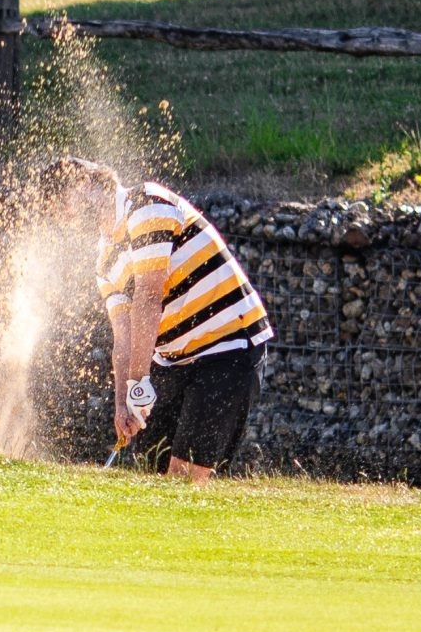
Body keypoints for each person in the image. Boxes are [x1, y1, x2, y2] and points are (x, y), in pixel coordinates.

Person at [46, 158, 273, 480]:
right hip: (172, 361)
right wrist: (123, 401)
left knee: (186, 476)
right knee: (151, 470)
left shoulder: (148, 203)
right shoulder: (104, 259)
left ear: (85, 185)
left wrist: (139, 383)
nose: (63, 217)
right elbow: (123, 337)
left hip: (227, 348)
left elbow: (149, 297)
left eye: (61, 202)